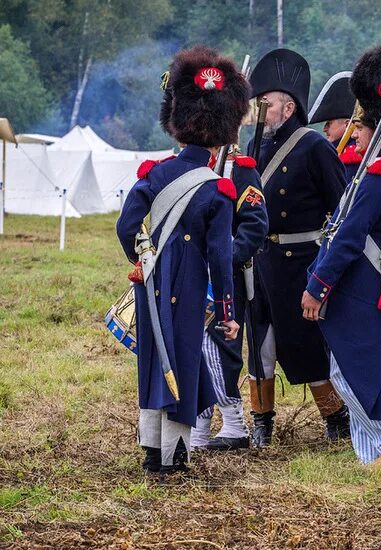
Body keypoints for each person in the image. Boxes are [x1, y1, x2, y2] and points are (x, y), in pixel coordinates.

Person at [116, 46, 249, 474]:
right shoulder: (218, 189)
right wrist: (227, 309)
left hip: (153, 278)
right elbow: (220, 256)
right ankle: (175, 455)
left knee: (155, 359)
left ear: (177, 126)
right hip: (190, 281)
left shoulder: (155, 172)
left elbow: (126, 225)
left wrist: (142, 260)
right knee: (185, 360)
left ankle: (152, 448)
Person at [301, 45, 381, 471]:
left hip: (360, 284)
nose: (352, 131)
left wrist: (319, 285)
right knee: (361, 366)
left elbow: (350, 236)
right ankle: (375, 450)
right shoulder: (378, 168)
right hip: (367, 284)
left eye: (360, 124)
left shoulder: (379, 173)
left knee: (353, 371)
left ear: (376, 127)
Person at [247, 49, 350, 447]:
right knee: (260, 344)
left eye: (266, 103)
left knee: (304, 343)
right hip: (261, 259)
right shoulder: (254, 148)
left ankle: (335, 415)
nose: (260, 110)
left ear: (288, 107)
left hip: (300, 260)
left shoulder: (313, 146)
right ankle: (261, 420)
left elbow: (339, 208)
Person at [192, 148, 269, 451]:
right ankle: (199, 426)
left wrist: (225, 258)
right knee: (195, 346)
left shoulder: (241, 170)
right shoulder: (197, 167)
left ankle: (233, 423)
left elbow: (255, 224)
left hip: (226, 274)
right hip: (195, 271)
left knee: (219, 346)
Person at [308, 70, 361, 182]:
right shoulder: (337, 153)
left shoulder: (351, 158)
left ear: (347, 125)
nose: (325, 129)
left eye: (329, 123)